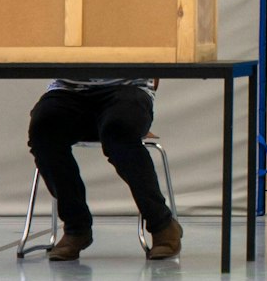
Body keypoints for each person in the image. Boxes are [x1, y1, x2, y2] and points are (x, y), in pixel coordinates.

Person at [27, 76, 182, 261]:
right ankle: (76, 228)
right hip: (68, 91)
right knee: (43, 130)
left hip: (127, 89)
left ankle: (162, 224)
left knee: (118, 131)